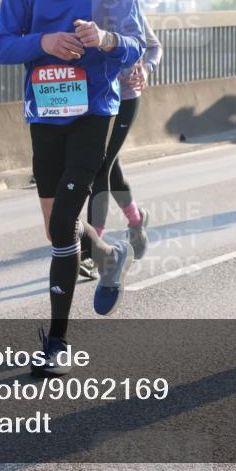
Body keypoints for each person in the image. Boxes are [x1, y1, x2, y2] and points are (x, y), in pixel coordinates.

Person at [0, 0, 145, 376]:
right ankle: (110, 254)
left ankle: (56, 343)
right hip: (44, 113)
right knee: (57, 228)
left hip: (93, 110)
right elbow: (1, 45)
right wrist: (45, 41)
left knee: (62, 227)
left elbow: (136, 44)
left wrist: (106, 39)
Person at [81, 15, 163, 276]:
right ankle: (136, 219)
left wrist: (146, 69)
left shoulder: (128, 7)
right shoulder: (82, 7)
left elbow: (154, 47)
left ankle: (94, 250)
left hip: (125, 98)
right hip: (94, 99)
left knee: (101, 167)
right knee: (110, 167)